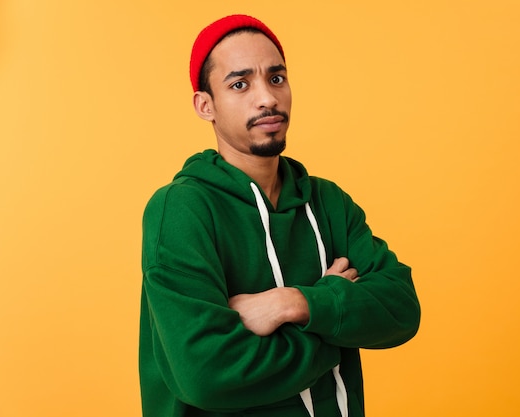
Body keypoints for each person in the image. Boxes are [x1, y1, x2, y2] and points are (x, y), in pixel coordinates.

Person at [139, 14, 420, 417]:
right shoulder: (182, 210)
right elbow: (206, 374)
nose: (267, 98)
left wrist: (294, 304)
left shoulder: (328, 201)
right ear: (205, 105)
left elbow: (401, 308)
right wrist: (335, 324)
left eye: (276, 78)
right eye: (240, 84)